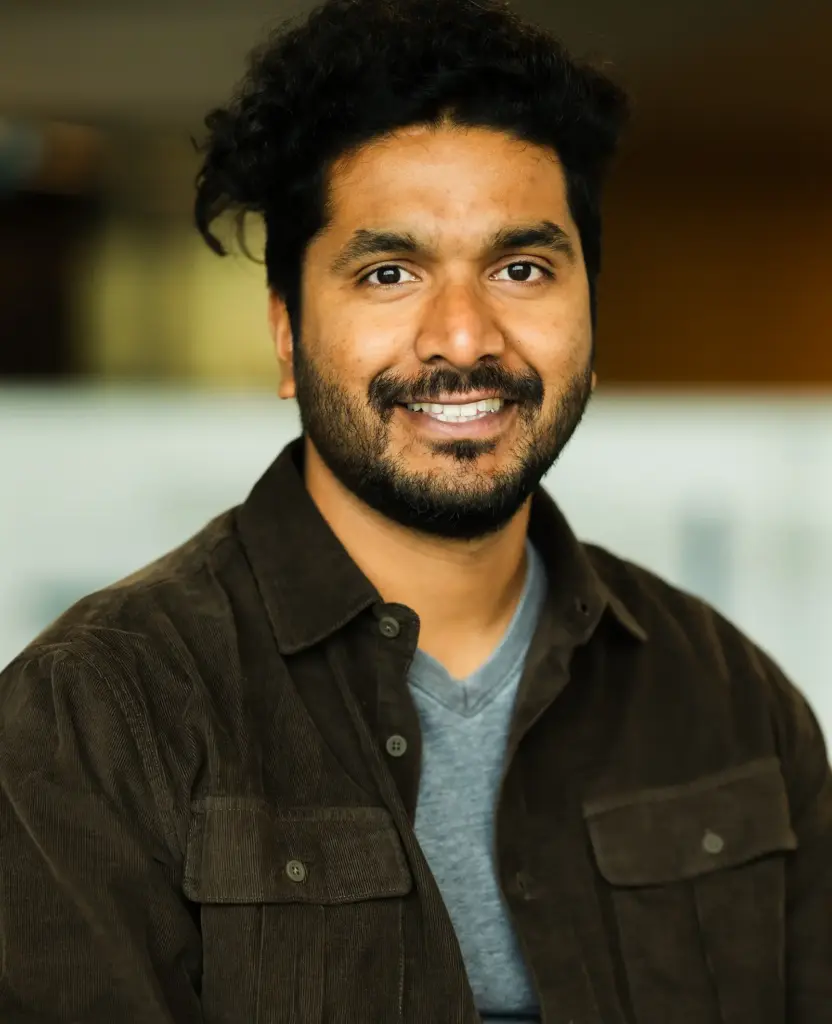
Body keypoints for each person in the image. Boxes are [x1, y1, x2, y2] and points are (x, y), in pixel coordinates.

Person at [0, 0, 829, 1020]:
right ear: (287, 335)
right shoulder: (95, 715)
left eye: (521, 269)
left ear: (591, 316)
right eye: (389, 273)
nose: (464, 337)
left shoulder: (731, 699)